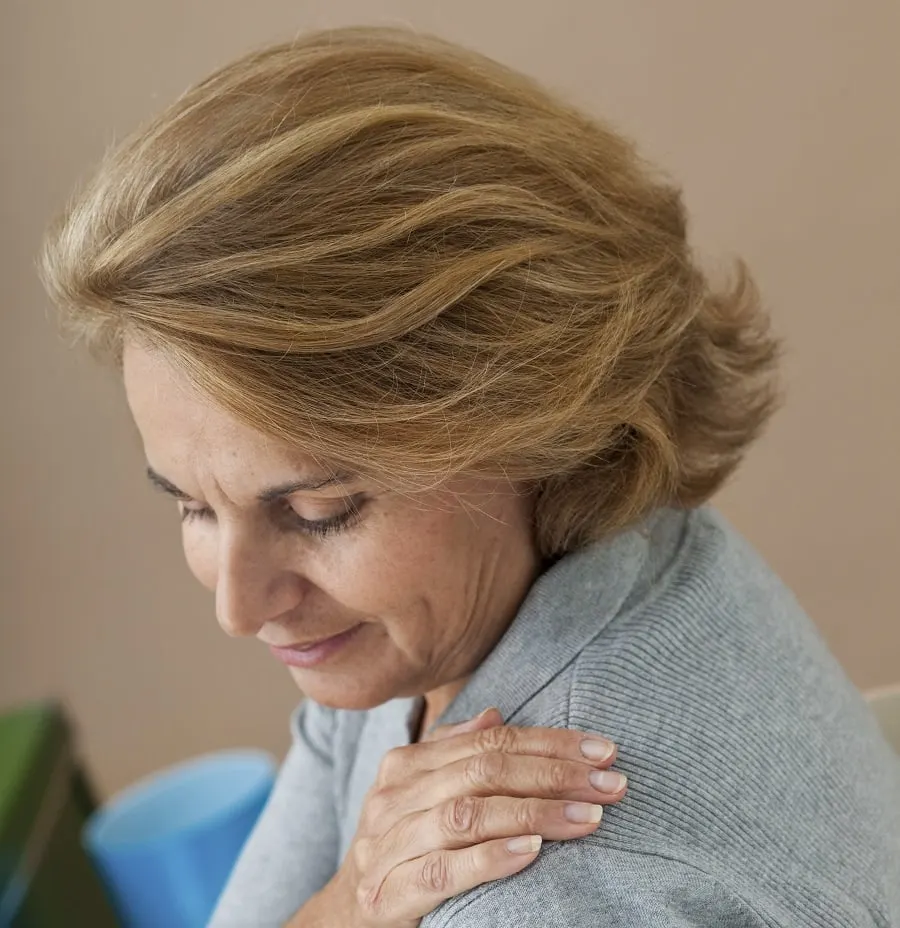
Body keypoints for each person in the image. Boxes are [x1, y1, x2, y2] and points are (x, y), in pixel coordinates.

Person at [41, 26, 899, 928]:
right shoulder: (449, 622)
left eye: (319, 511)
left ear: (531, 422)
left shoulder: (538, 884)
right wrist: (345, 908)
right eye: (191, 505)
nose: (240, 607)